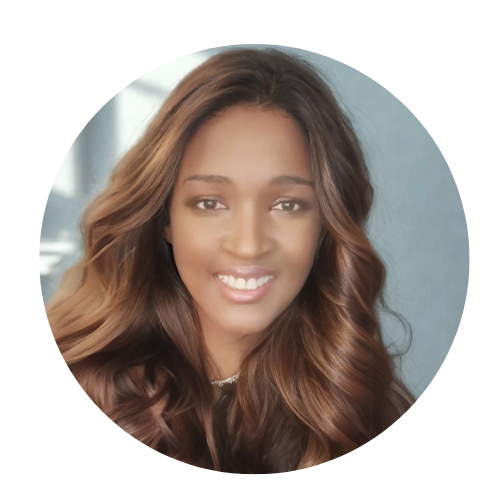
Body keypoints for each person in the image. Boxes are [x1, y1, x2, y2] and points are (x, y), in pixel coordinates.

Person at [45, 48, 457, 474]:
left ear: (325, 225)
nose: (248, 245)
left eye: (286, 205)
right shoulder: (83, 376)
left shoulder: (364, 410)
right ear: (165, 217)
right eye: (210, 202)